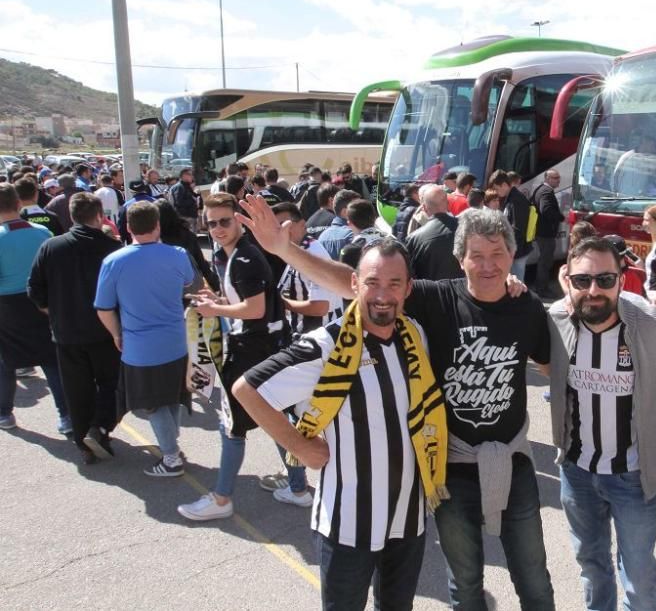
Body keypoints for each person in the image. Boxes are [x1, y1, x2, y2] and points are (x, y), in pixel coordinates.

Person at [236, 199, 556, 610]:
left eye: (498, 254)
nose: (488, 264)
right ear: (460, 259)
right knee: (464, 583)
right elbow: (357, 280)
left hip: (443, 497)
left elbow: (554, 363)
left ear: (513, 255)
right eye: (477, 255)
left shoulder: (432, 331)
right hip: (403, 494)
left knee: (532, 577)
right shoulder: (408, 315)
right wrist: (285, 250)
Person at [233, 238, 448, 610]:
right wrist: (297, 446)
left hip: (408, 521)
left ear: (408, 288)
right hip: (347, 525)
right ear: (354, 285)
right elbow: (247, 389)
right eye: (372, 283)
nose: (383, 295)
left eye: (394, 284)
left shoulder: (416, 336)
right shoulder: (324, 346)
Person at [548, 236, 656, 611]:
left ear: (622, 279)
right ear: (567, 280)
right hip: (576, 473)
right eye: (582, 280)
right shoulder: (557, 320)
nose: (594, 290)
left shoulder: (655, 328)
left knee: (638, 579)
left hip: (632, 478)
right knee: (592, 567)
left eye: (605, 280)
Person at [178, 193, 300, 520]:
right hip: (260, 346)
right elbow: (243, 300)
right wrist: (216, 298)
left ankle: (221, 499)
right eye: (212, 222)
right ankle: (298, 487)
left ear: (238, 220)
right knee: (274, 418)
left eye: (224, 221)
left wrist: (214, 307)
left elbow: (254, 309)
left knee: (232, 426)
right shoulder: (227, 255)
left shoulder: (245, 257)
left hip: (254, 349)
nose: (217, 228)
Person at [94, 201, 194, 474]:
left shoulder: (113, 261)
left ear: (128, 227)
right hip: (176, 340)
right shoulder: (178, 254)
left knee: (153, 403)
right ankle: (171, 446)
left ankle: (171, 457)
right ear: (158, 224)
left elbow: (103, 309)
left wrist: (116, 334)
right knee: (171, 397)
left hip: (140, 347)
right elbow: (190, 285)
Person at [29, 192, 122, 463]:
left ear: (71, 216)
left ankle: (84, 442)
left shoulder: (51, 247)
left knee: (76, 389)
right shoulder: (112, 249)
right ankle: (100, 428)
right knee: (111, 384)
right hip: (105, 330)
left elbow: (35, 288)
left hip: (66, 331)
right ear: (99, 216)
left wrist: (53, 311)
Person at [0, 184, 69, 433]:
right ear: (19, 204)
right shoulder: (42, 232)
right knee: (51, 360)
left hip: (8, 305)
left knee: (6, 362)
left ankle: (5, 413)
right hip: (42, 303)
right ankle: (65, 415)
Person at [272, 202, 343, 335]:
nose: (281, 230)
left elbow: (321, 307)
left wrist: (281, 303)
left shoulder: (313, 253)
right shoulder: (298, 251)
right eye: (276, 227)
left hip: (319, 342)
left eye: (285, 224)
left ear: (302, 224)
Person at [155, 199, 220, 292]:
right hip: (192, 287)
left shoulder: (157, 240)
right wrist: (215, 285)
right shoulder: (187, 234)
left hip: (169, 290)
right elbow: (201, 263)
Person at [404, 185, 462, 281]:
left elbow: (410, 275)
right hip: (460, 292)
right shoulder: (467, 230)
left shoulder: (414, 238)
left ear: (424, 208)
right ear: (448, 204)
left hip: (429, 294)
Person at [488, 170, 533, 281]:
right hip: (514, 250)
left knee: (516, 284)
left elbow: (518, 229)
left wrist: (509, 251)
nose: (496, 192)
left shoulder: (517, 200)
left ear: (504, 185)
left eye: (497, 189)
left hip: (517, 251)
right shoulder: (510, 198)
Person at [530, 169, 564, 297]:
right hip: (545, 233)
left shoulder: (540, 189)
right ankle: (542, 288)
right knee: (546, 261)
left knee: (544, 260)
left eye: (558, 177)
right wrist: (560, 217)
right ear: (548, 179)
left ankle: (541, 286)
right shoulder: (546, 192)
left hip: (542, 232)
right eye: (555, 178)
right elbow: (546, 210)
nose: (558, 180)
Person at [316, 189, 361, 259]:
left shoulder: (322, 237)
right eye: (358, 208)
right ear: (345, 212)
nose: (362, 211)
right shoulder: (352, 235)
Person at [117, 180, 156, 245]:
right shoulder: (155, 202)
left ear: (130, 190)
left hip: (134, 243)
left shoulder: (126, 206)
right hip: (155, 242)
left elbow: (122, 229)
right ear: (145, 188)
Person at [169, 167, 200, 233]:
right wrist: (193, 201)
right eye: (190, 174)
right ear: (184, 176)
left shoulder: (186, 186)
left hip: (190, 217)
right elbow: (179, 202)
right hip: (185, 218)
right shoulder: (179, 187)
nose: (192, 176)